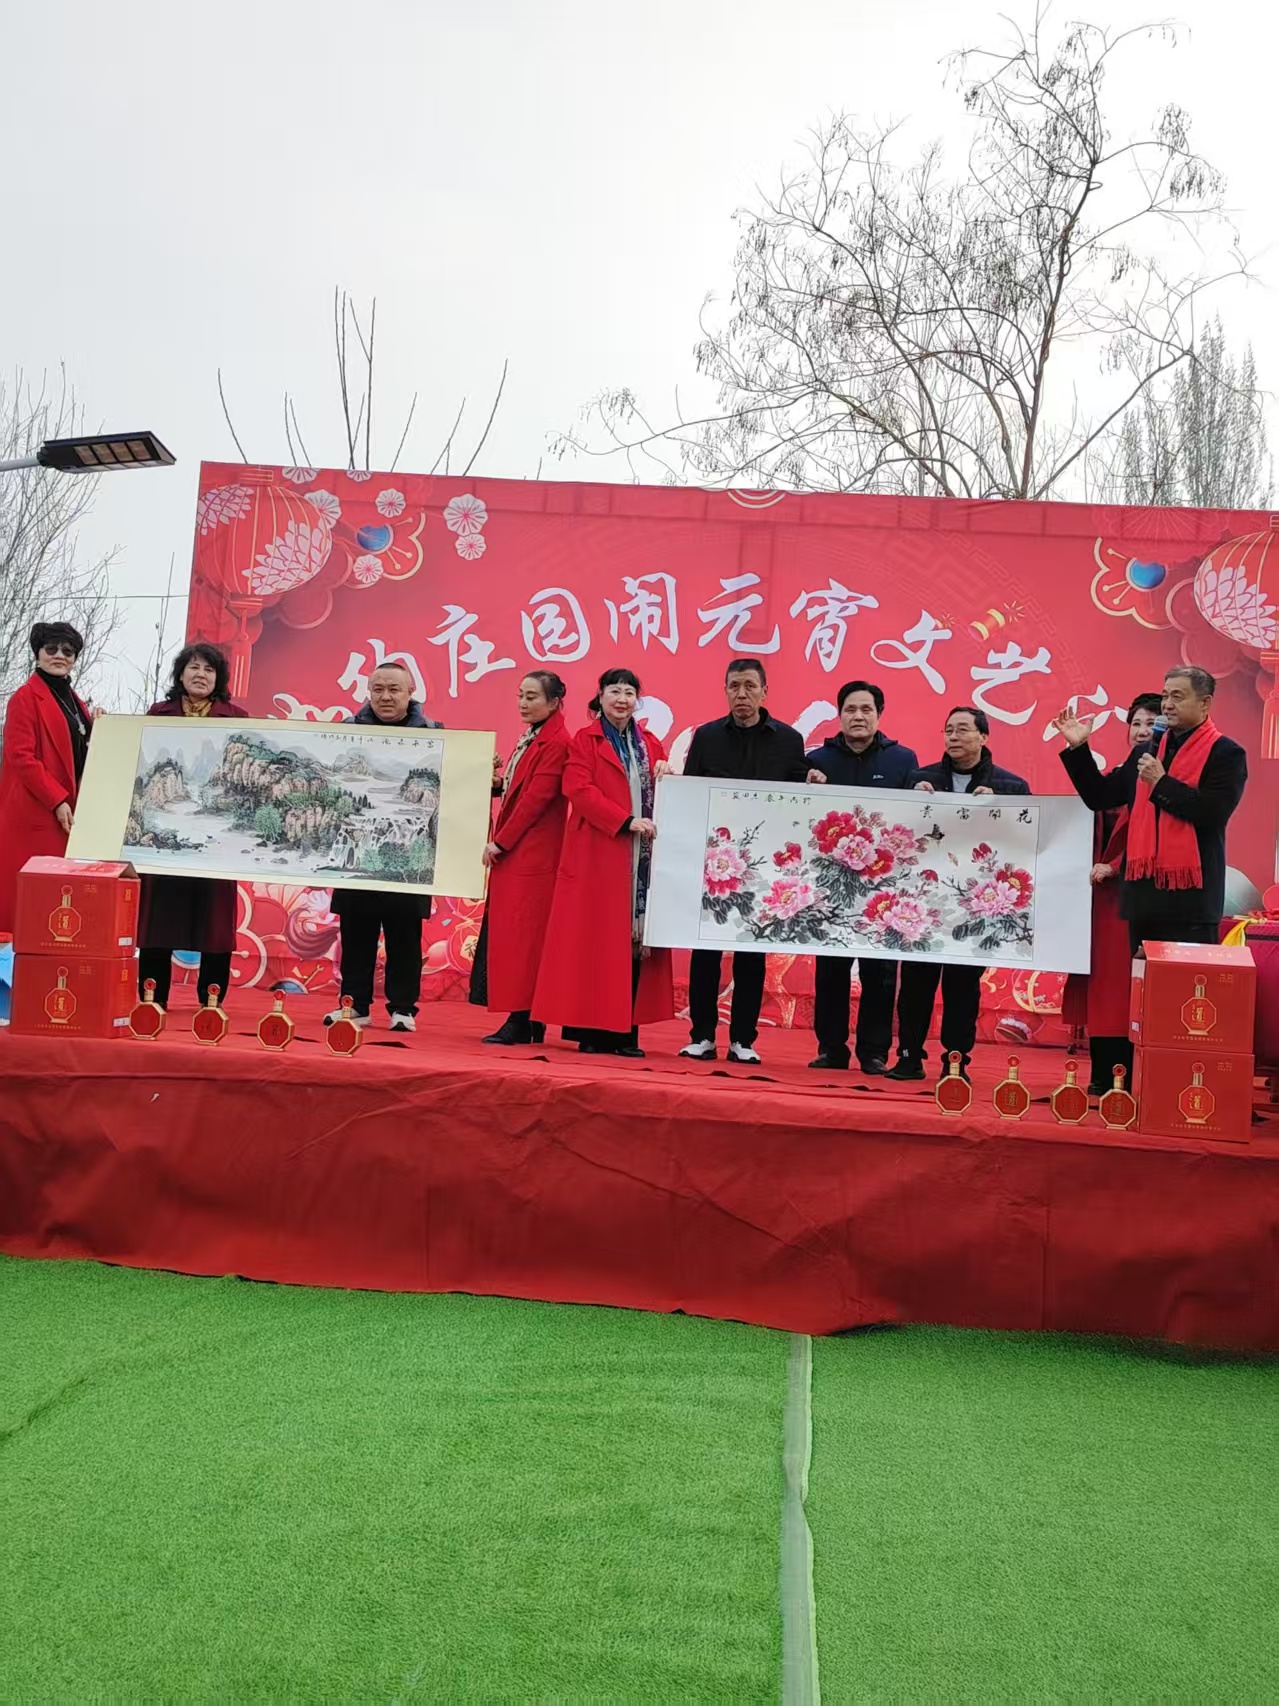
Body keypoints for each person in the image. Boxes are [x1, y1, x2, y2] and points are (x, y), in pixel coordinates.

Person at [1055, 664, 1248, 959]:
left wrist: (1161, 783)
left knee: (1186, 985)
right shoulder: (1146, 750)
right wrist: (1079, 748)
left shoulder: (1226, 753)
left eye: (1178, 696)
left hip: (1191, 902)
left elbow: (1212, 813)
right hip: (1143, 900)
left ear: (1205, 703)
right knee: (1144, 984)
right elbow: (1100, 796)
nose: (1167, 704)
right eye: (1165, 695)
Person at [532, 667, 673, 1056]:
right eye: (615, 691)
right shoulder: (585, 740)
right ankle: (592, 1032)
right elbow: (578, 789)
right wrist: (624, 821)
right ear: (601, 696)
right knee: (595, 942)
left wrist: (666, 773)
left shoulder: (651, 744)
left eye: (629, 692)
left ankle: (626, 1034)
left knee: (632, 943)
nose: (622, 699)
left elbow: (665, 791)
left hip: (641, 858)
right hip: (598, 853)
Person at [886, 706, 1031, 1081]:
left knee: (962, 986)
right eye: (948, 729)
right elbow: (896, 832)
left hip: (977, 907)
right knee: (915, 983)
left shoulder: (1010, 786)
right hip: (924, 902)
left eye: (963, 729)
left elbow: (1026, 842)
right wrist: (912, 801)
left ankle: (956, 1062)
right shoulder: (920, 779)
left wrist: (1001, 808)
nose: (953, 736)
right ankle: (908, 1056)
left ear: (984, 736)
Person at [680, 658, 810, 1064]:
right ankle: (702, 1035)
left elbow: (796, 805)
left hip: (764, 867)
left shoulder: (789, 741)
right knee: (705, 953)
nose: (742, 694)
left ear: (764, 691)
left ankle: (743, 1040)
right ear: (725, 691)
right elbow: (690, 795)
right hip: (714, 864)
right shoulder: (706, 737)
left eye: (750, 686)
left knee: (752, 954)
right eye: (734, 686)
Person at [805, 679, 919, 1073]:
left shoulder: (902, 760)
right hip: (832, 885)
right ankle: (831, 1048)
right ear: (839, 715)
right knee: (831, 969)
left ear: (879, 714)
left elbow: (914, 818)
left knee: (881, 972)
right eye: (850, 709)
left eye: (866, 709)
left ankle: (874, 1051)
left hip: (883, 886)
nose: (858, 716)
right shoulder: (818, 760)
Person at [324, 662, 442, 1032]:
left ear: (410, 693)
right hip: (360, 856)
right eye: (378, 689)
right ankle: (354, 1005)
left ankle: (403, 1008)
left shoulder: (435, 735)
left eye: (394, 689)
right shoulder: (347, 732)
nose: (385, 696)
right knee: (356, 935)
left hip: (409, 858)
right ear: (369, 692)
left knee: (404, 937)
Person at [134, 645, 249, 1007]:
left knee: (215, 923)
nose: (201, 675)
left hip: (217, 843)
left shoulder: (238, 719)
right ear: (180, 674)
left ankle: (211, 1002)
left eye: (209, 670)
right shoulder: (158, 714)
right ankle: (153, 998)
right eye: (194, 667)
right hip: (162, 841)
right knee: (159, 919)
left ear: (219, 678)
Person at [1061, 692, 1162, 1093]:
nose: (1142, 731)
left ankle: (1130, 1077)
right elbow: (1092, 803)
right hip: (1101, 899)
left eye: (1151, 723)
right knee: (1104, 990)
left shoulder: (1166, 778)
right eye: (1136, 723)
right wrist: (1078, 747)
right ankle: (1103, 1074)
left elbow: (1156, 835)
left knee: (1128, 989)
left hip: (1136, 895)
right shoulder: (1121, 777)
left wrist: (1116, 866)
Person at [473, 670, 571, 1045]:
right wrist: (499, 783)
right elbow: (521, 789)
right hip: (522, 853)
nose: (523, 703)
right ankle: (527, 1020)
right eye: (520, 696)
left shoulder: (556, 742)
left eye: (532, 697)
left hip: (533, 855)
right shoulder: (534, 735)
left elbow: (536, 800)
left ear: (554, 702)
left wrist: (501, 842)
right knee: (517, 937)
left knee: (524, 939)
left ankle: (522, 1018)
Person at [0, 622, 94, 936]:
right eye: (51, 649)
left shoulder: (76, 702)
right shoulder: (25, 698)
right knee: (28, 909)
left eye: (68, 651)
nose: (59, 656)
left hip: (67, 817)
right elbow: (21, 757)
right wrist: (57, 799)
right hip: (36, 816)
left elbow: (80, 751)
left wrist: (100, 728)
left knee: (56, 907)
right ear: (37, 653)